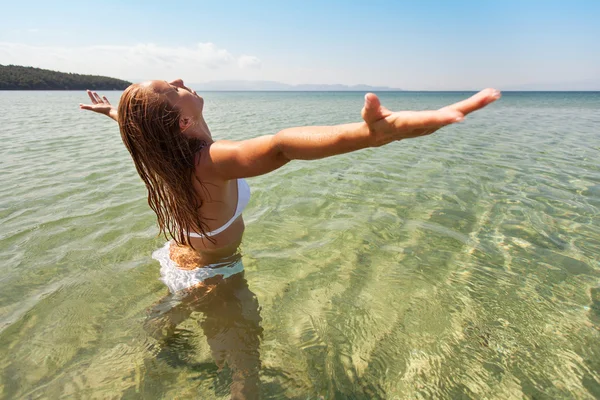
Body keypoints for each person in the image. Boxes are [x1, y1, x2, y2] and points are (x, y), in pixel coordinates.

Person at [80, 81, 500, 398]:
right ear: (183, 123)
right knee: (246, 366)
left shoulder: (165, 153)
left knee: (175, 315)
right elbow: (282, 146)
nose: (177, 79)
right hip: (214, 273)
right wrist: (367, 135)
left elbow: (147, 129)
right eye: (170, 89)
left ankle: (153, 347)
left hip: (180, 258)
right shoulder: (211, 160)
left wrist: (116, 116)